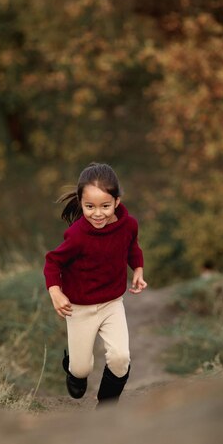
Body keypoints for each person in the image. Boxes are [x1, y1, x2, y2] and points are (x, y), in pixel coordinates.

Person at [43, 162, 147, 407]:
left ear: (117, 202)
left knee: (120, 358)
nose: (97, 214)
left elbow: (132, 246)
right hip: (79, 307)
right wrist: (55, 292)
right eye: (89, 207)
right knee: (81, 369)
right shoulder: (78, 235)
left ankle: (106, 408)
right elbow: (52, 263)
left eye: (105, 206)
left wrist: (138, 270)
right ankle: (73, 369)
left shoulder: (128, 225)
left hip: (112, 303)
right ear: (80, 202)